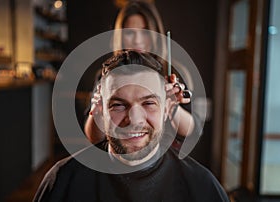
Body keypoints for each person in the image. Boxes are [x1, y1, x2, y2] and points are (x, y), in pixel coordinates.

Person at [34, 51, 229, 201]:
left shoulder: (201, 187)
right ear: (101, 110)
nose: (134, 119)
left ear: (166, 109)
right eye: (118, 105)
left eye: (148, 103)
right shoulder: (63, 181)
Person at [84, 1, 199, 148]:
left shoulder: (174, 73)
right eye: (130, 32)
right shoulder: (106, 77)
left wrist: (171, 106)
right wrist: (99, 110)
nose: (137, 40)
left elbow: (191, 131)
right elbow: (94, 138)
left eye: (145, 32)